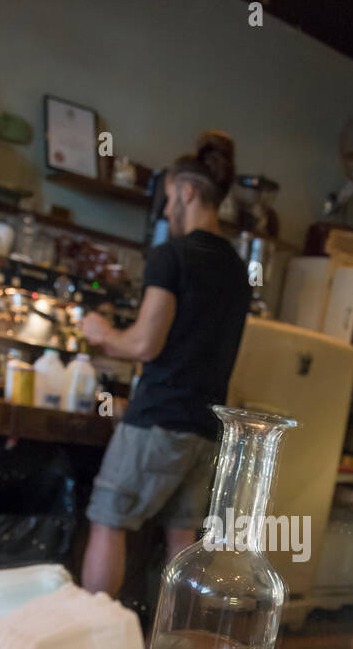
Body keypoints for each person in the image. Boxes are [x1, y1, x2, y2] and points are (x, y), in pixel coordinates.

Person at [80, 131, 251, 597]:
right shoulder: (237, 270)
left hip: (158, 421)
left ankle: (90, 642)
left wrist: (100, 333)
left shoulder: (171, 256)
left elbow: (144, 344)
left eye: (169, 197)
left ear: (188, 191)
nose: (165, 209)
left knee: (107, 522)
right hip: (205, 430)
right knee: (181, 543)